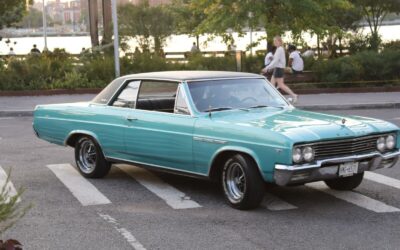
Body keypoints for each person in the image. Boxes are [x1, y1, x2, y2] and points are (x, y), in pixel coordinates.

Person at [261, 36, 298, 103]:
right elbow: (275, 61)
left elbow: (275, 61)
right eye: (274, 41)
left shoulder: (280, 49)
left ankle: (294, 95)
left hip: (278, 69)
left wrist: (267, 68)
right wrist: (268, 68)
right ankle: (271, 99)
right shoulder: (279, 49)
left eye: (276, 41)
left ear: (280, 42)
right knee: (272, 85)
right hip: (278, 69)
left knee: (280, 85)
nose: (274, 43)